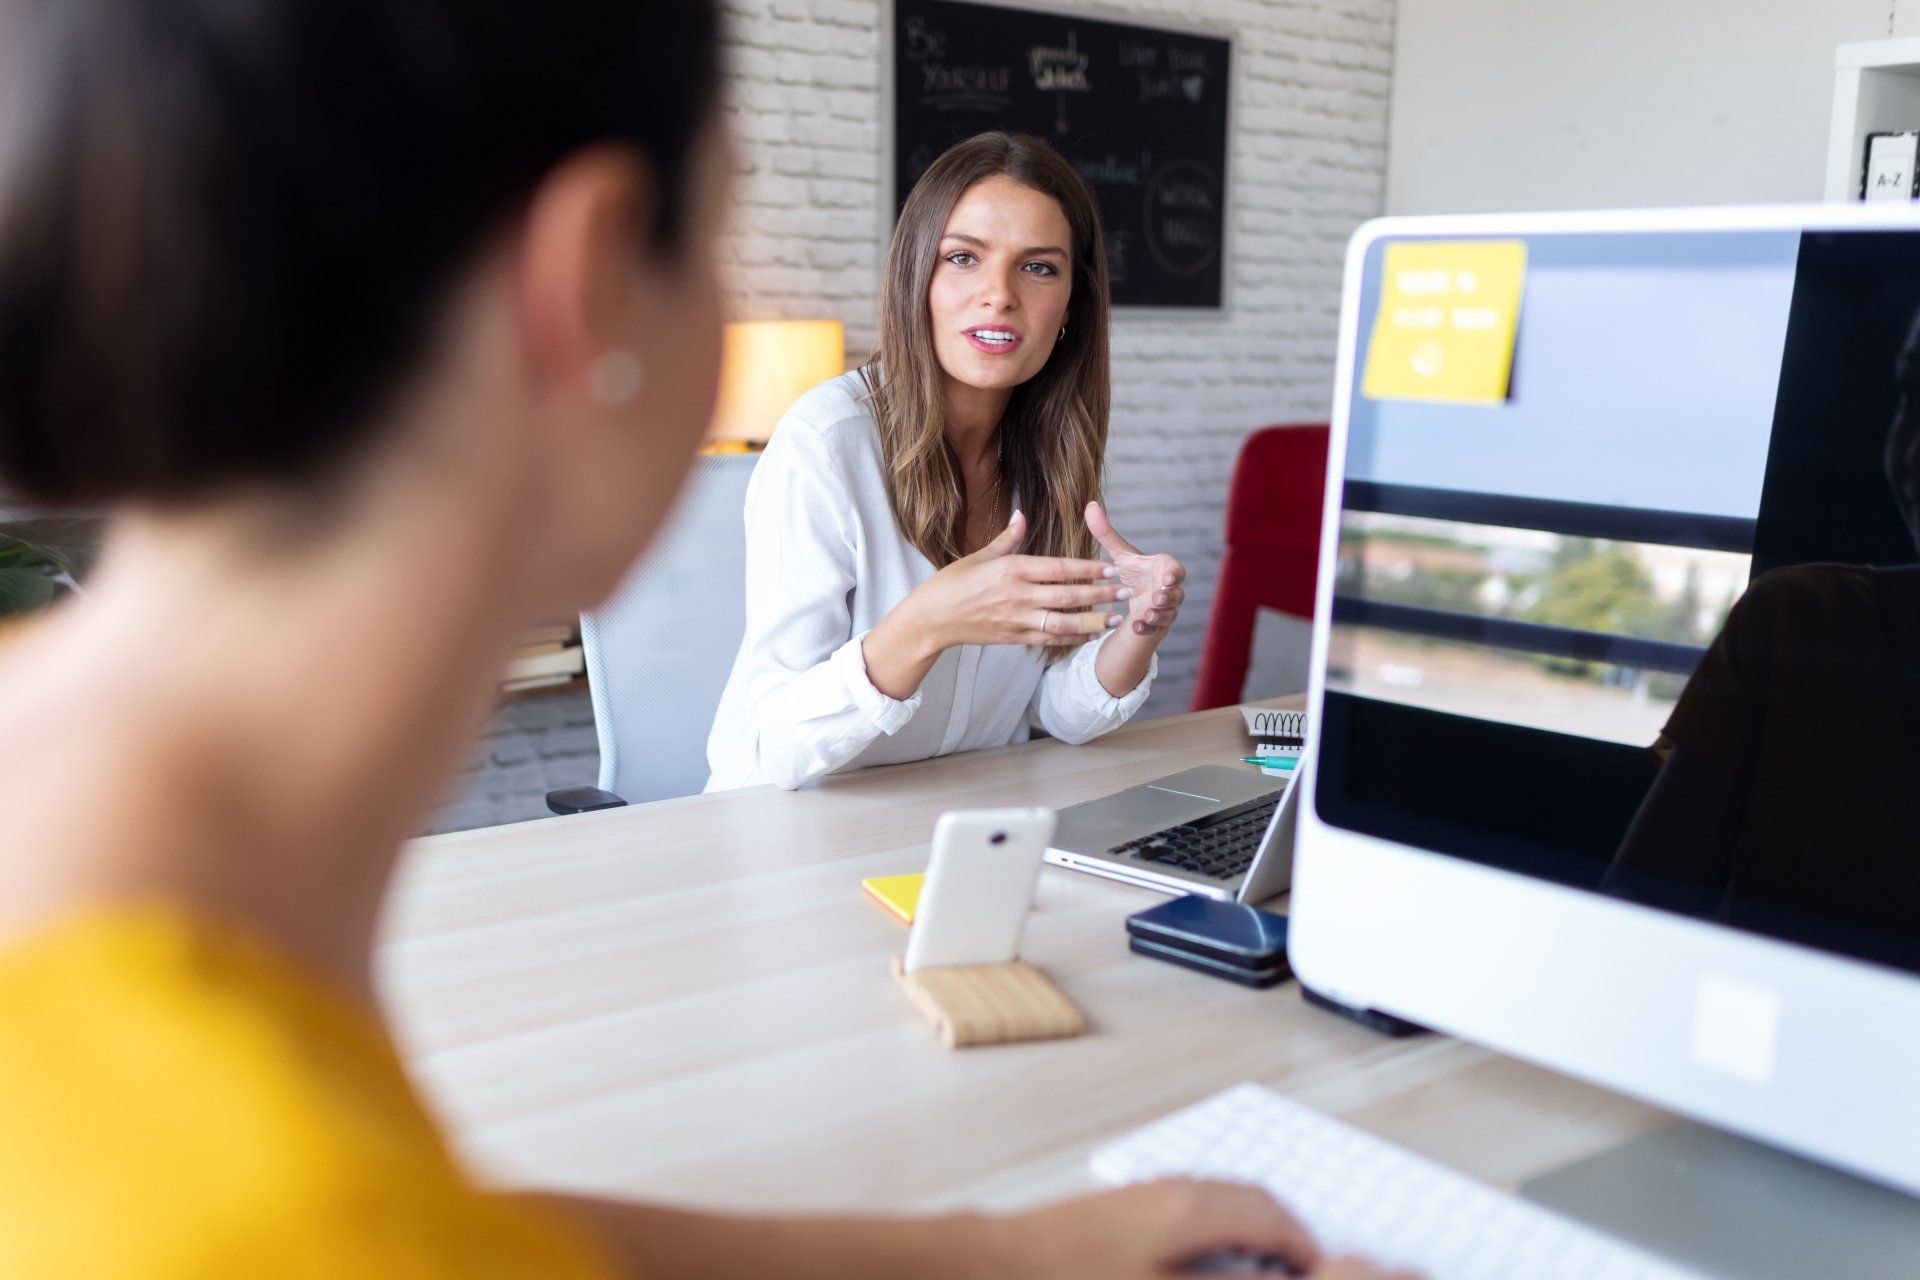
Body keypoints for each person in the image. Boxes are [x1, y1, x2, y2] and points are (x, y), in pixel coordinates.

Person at [0, 3, 1407, 1278]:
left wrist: (1005, 1252)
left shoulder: (178, 1014)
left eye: (1040, 269)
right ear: (596, 283)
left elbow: (468, 1226)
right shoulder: (266, 1213)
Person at [705, 132, 1188, 791]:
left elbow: (1053, 711)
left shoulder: (1052, 451)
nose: (999, 295)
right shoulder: (828, 442)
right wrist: (926, 624)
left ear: (1072, 305)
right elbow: (764, 750)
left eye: (1039, 267)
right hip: (798, 839)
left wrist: (1136, 628)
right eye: (963, 257)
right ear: (917, 279)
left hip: (965, 832)